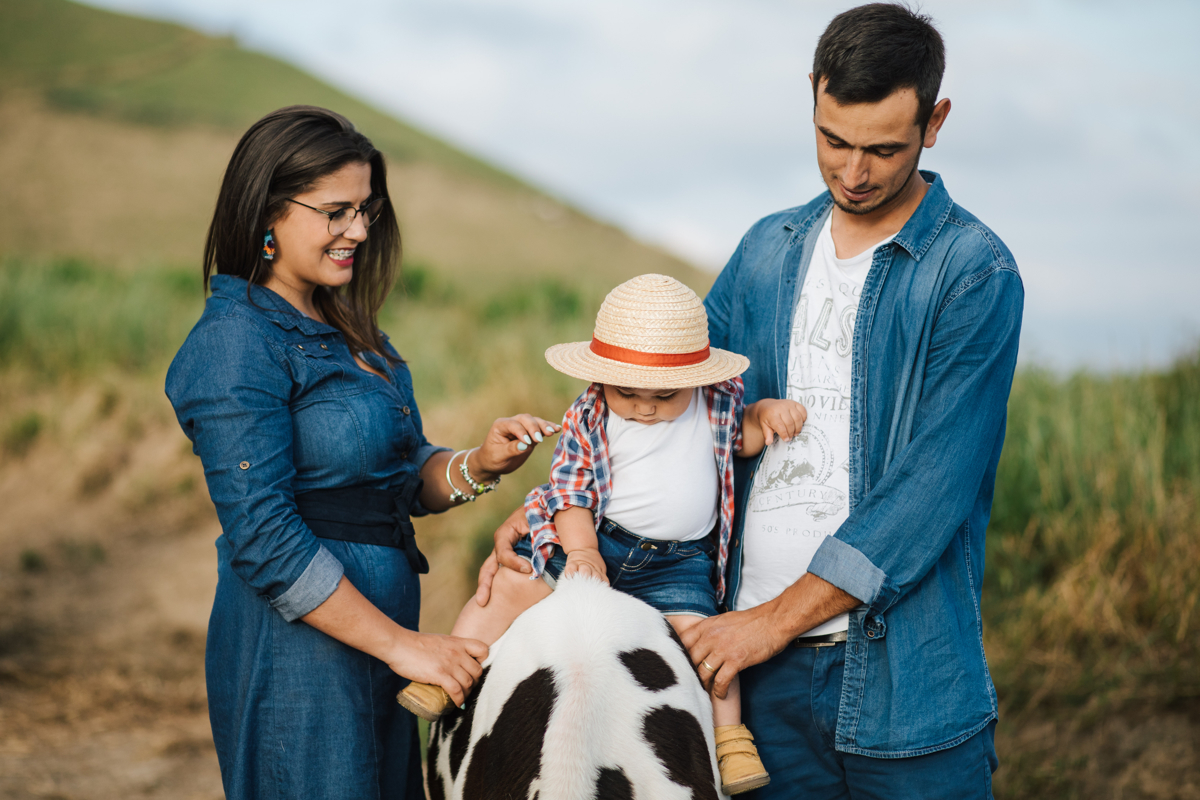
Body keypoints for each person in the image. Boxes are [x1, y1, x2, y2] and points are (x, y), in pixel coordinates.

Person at [482, 4, 1022, 798]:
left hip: (904, 687)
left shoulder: (973, 274)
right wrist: (554, 510)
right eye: (833, 140)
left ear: (935, 121)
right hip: (745, 680)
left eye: (883, 148)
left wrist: (767, 625)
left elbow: (928, 494)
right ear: (812, 94)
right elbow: (661, 406)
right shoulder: (765, 251)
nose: (853, 171)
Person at [165, 105, 559, 799]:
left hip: (377, 642)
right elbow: (263, 535)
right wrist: (406, 647)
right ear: (267, 212)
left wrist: (476, 464)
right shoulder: (236, 341)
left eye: (368, 210)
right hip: (298, 654)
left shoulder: (352, 330)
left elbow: (400, 480)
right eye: (337, 211)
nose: (359, 231)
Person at [403, 273, 807, 795]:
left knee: (711, 644)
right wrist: (582, 550)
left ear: (694, 379)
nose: (644, 406)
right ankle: (449, 669)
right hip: (598, 537)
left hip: (677, 563)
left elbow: (745, 437)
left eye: (664, 394)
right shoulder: (590, 413)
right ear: (602, 378)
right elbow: (570, 492)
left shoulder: (716, 404)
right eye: (628, 392)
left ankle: (729, 739)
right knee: (504, 589)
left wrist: (766, 414)